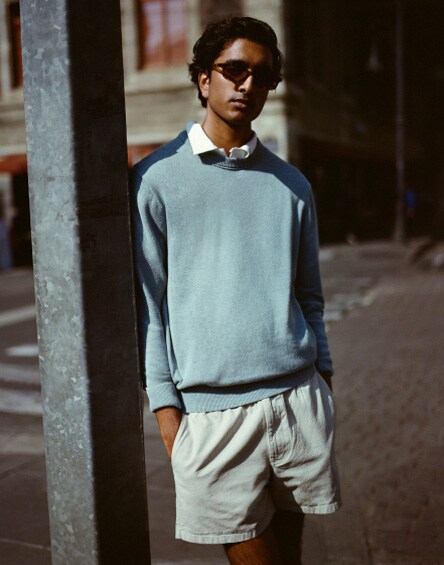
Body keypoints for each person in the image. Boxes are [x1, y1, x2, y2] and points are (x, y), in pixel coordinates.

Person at [132, 16, 341, 565]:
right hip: (212, 418)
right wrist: (168, 416)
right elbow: (150, 309)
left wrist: (323, 376)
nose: (247, 84)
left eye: (262, 76)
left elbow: (310, 296)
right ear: (204, 78)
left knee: (290, 557)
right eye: (234, 69)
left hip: (297, 403)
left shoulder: (292, 185)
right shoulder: (155, 180)